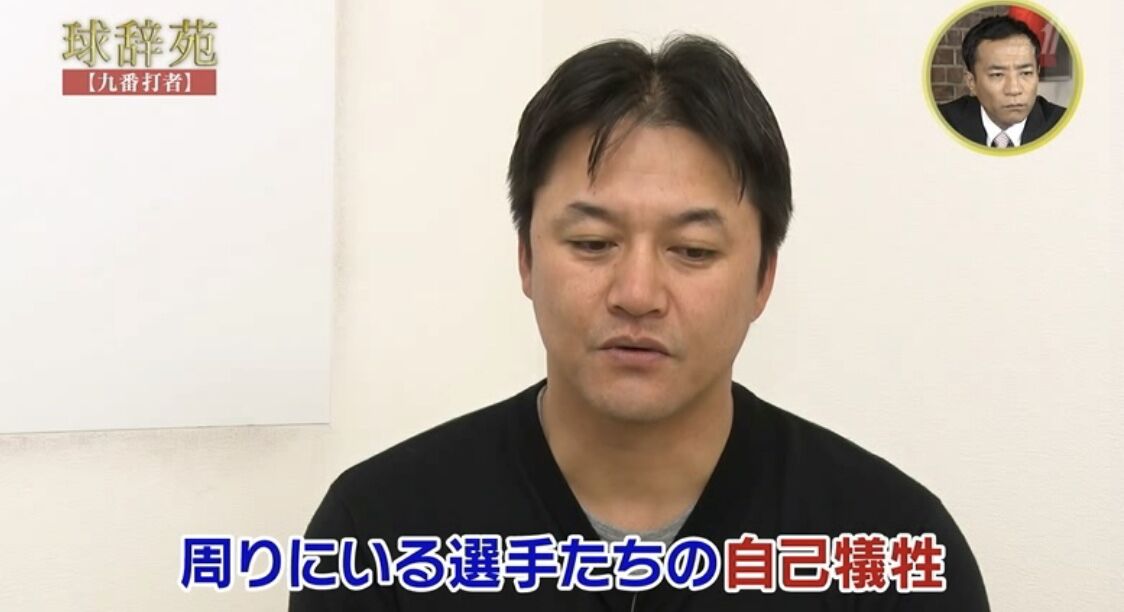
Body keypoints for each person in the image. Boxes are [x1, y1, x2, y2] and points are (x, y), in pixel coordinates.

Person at [291, 34, 990, 610]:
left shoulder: (893, 552)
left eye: (693, 251)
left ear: (763, 278)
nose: (637, 293)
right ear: (526, 259)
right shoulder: (378, 538)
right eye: (593, 243)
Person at [938, 15, 1067, 148]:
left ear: (1037, 73)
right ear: (971, 82)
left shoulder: (1066, 126)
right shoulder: (940, 124)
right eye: (997, 75)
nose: (1014, 89)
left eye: (1026, 73)